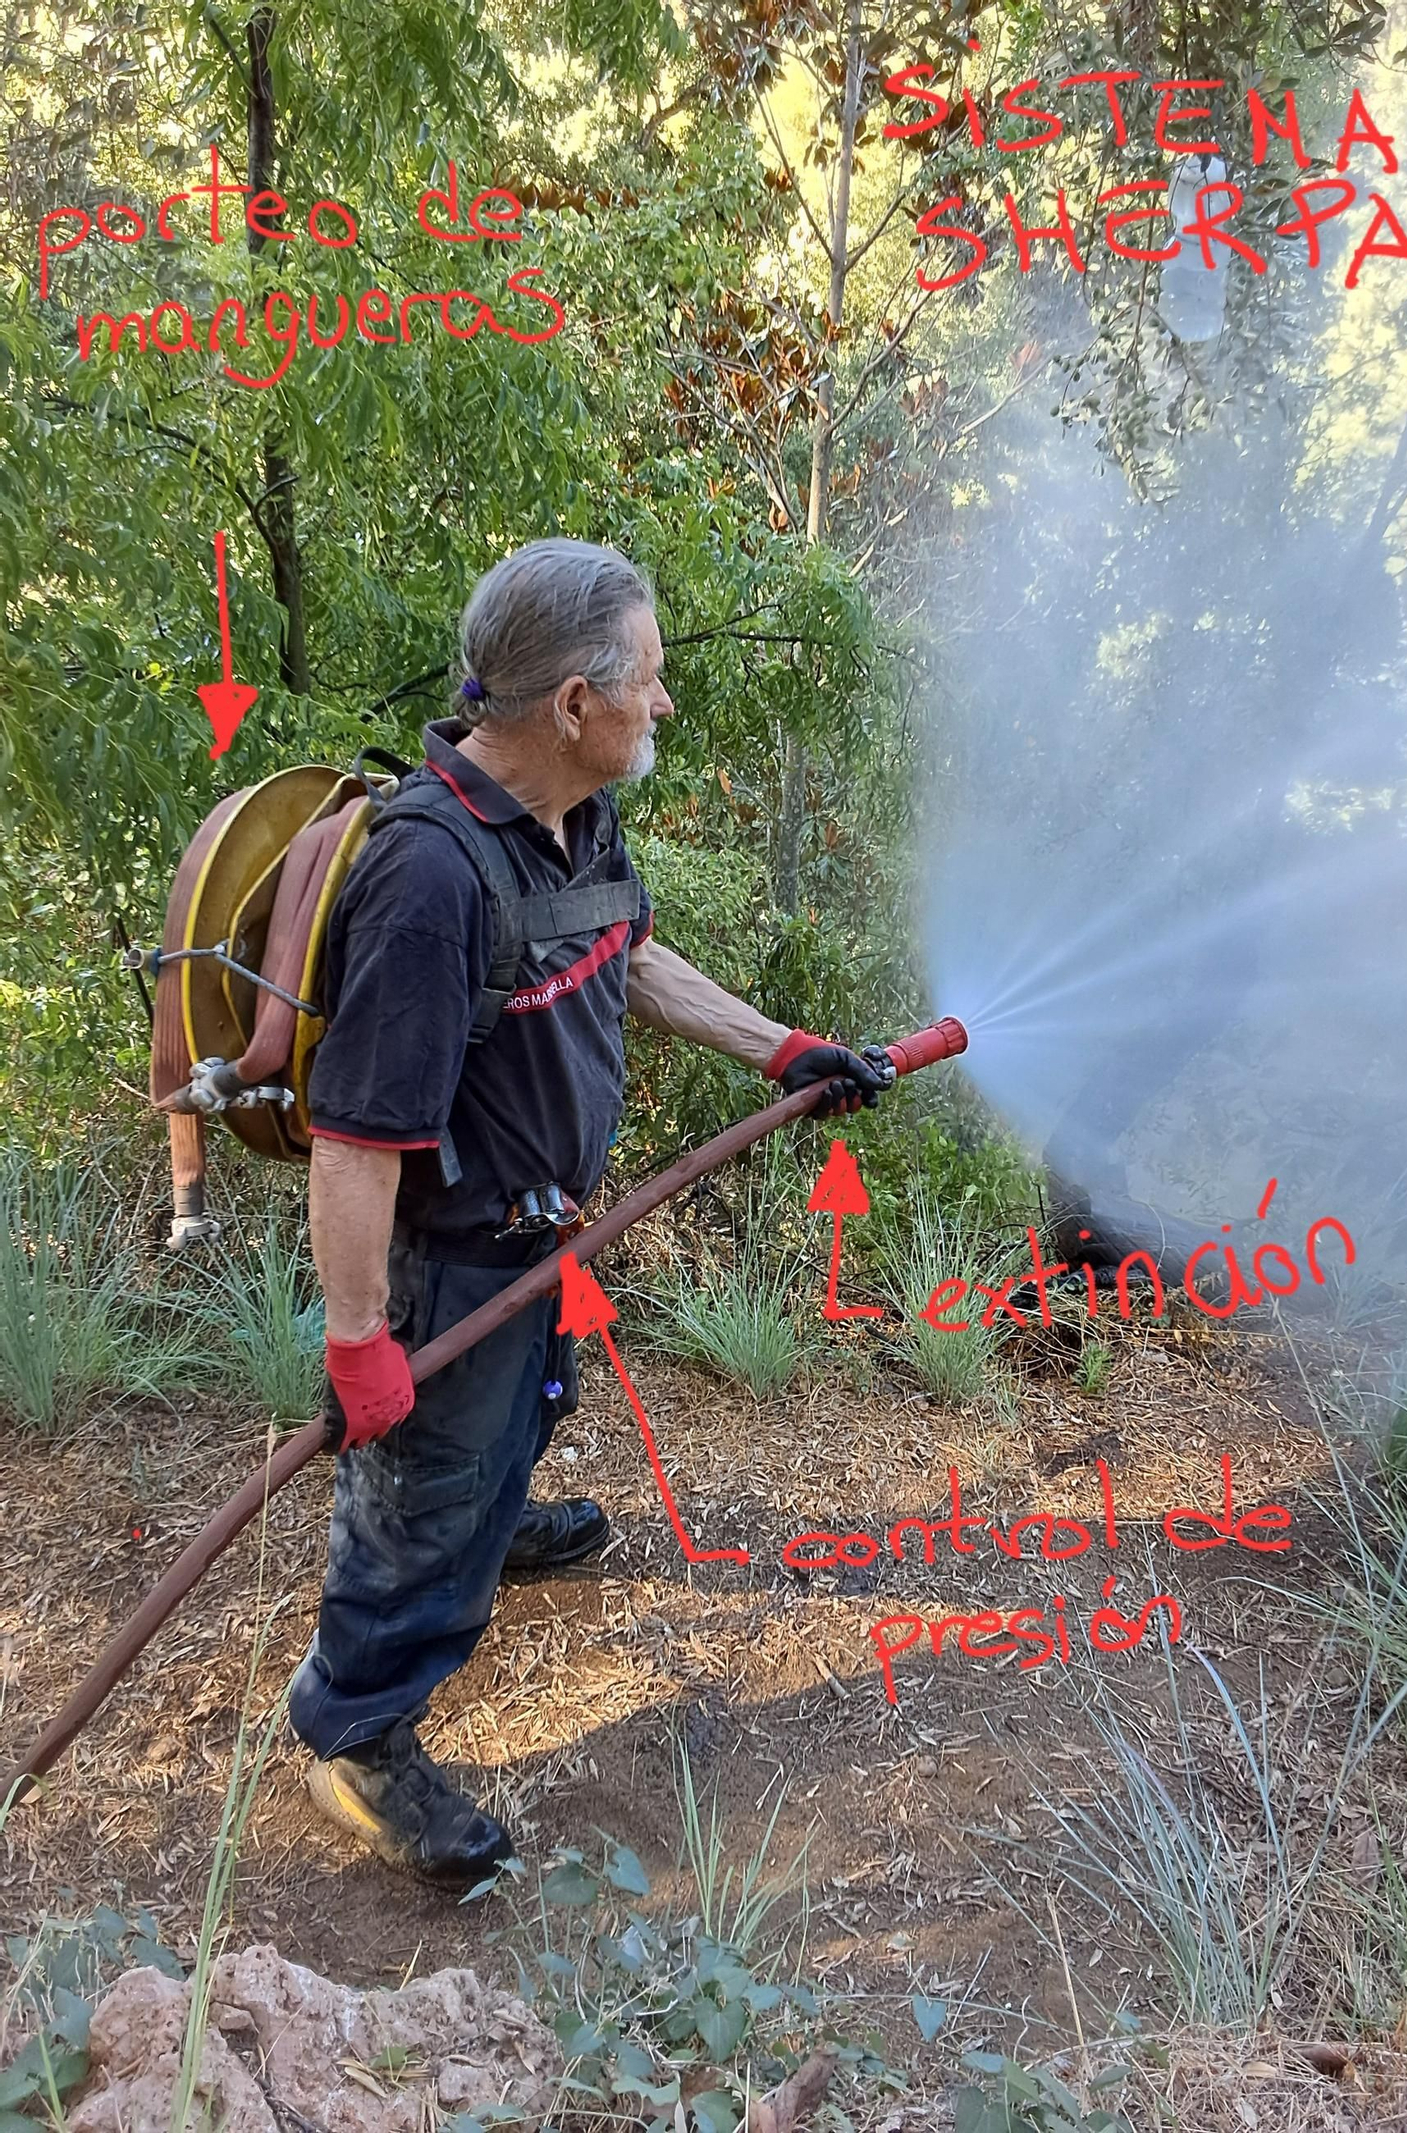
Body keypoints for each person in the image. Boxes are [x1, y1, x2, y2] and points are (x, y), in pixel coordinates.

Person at [288, 538, 889, 1884]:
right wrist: (359, 1342)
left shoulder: (574, 817)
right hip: (455, 1266)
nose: (663, 704)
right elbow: (355, 1143)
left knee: (520, 1423)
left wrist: (780, 1045)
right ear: (573, 703)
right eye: (652, 678)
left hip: (542, 1235)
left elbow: (626, 948)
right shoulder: (433, 883)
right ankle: (357, 1728)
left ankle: (494, 1513)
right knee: (420, 1498)